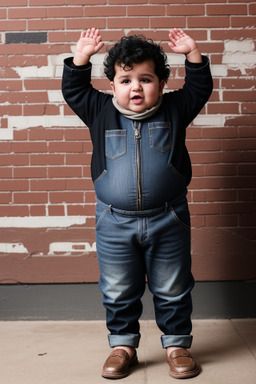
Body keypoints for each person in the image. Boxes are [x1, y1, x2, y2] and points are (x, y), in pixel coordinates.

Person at [62, 27, 213, 379]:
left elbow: (199, 88)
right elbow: (73, 89)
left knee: (173, 286)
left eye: (146, 79)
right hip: (114, 221)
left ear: (161, 84)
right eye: (126, 79)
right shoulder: (99, 110)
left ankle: (177, 345)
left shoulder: (175, 109)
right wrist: (82, 57)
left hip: (168, 218)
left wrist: (192, 54)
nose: (136, 87)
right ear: (112, 85)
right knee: (117, 287)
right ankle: (122, 345)